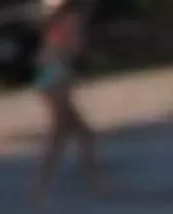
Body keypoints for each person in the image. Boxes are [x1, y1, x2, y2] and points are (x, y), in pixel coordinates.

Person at [30, 0, 99, 203]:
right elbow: (73, 49)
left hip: (47, 77)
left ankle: (97, 181)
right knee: (61, 135)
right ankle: (40, 186)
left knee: (83, 133)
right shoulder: (73, 20)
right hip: (58, 77)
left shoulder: (54, 20)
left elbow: (52, 49)